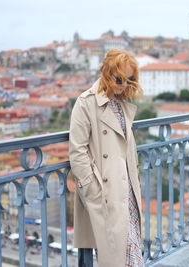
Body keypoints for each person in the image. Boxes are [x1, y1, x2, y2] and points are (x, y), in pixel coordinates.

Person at [69, 49, 144, 267]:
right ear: (107, 72)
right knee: (120, 256)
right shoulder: (86, 103)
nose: (124, 84)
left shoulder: (121, 103)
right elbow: (77, 151)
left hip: (127, 191)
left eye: (130, 79)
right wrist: (93, 191)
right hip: (107, 193)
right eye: (120, 78)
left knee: (130, 254)